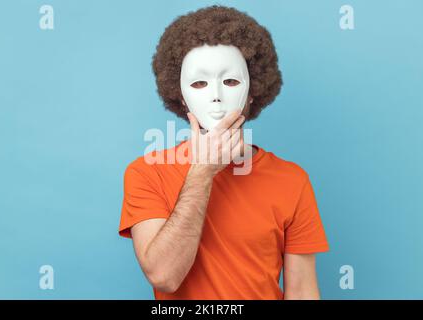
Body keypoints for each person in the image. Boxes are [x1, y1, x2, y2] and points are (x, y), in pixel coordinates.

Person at [119, 5, 329, 300]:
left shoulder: (292, 180)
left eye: (230, 81)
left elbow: (303, 292)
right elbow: (163, 276)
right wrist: (203, 170)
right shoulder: (146, 173)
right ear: (181, 96)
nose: (216, 95)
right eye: (200, 83)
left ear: (253, 90)